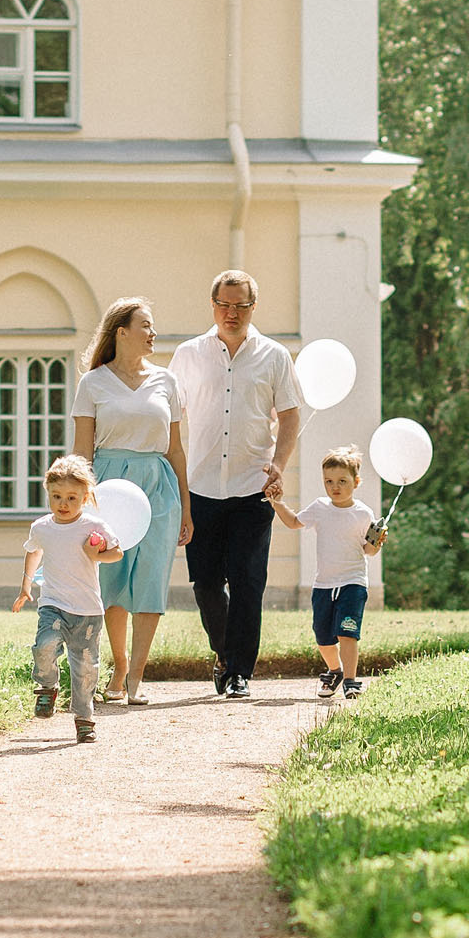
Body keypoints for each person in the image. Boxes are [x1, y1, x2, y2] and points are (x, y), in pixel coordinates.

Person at [170, 270, 304, 700]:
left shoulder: (274, 356)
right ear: (213, 305)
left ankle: (240, 671)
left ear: (253, 308)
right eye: (224, 305)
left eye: (241, 306)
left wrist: (279, 464)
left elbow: (289, 415)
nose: (232, 313)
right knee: (206, 583)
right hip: (202, 487)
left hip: (253, 487)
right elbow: (169, 415)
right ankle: (224, 655)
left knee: (248, 582)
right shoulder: (189, 355)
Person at [73, 297, 192, 706]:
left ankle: (138, 675)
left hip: (158, 486)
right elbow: (81, 453)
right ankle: (120, 665)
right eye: (145, 325)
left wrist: (186, 508)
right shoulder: (92, 383)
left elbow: (176, 450)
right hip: (107, 488)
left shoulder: (167, 381)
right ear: (121, 331)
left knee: (152, 578)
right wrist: (77, 508)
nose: (153, 333)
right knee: (112, 579)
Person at [11, 454, 122, 743]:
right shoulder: (42, 527)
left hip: (87, 610)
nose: (63, 504)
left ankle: (85, 719)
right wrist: (26, 585)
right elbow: (34, 551)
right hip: (53, 603)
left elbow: (117, 553)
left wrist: (95, 553)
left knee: (85, 667)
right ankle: (47, 686)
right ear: (48, 492)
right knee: (45, 644)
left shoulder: (93, 527)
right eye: (57, 496)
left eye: (72, 498)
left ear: (85, 497)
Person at [268, 445, 387, 699]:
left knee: (347, 631)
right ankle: (335, 670)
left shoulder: (363, 513)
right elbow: (293, 522)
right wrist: (276, 503)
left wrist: (377, 542)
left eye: (342, 481)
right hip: (323, 584)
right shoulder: (320, 508)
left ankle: (352, 681)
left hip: (353, 583)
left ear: (356, 482)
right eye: (329, 481)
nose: (335, 487)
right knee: (323, 638)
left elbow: (368, 550)